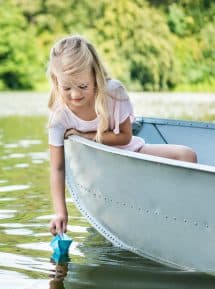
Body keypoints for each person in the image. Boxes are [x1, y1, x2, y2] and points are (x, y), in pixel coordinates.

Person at [47, 35, 197, 235]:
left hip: (131, 152)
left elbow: (125, 137)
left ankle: (188, 215)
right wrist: (60, 212)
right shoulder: (59, 118)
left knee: (187, 155)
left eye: (83, 86)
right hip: (102, 174)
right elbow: (57, 168)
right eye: (66, 88)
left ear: (95, 75)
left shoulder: (113, 93)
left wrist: (87, 136)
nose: (75, 95)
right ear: (56, 82)